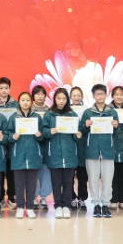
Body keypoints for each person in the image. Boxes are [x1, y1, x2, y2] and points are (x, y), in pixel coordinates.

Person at [81, 84, 121, 218]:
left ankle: (105, 204)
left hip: (107, 149)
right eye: (97, 94)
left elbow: (117, 133)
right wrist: (85, 126)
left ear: (106, 95)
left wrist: (116, 126)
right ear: (93, 96)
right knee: (92, 178)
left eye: (102, 94)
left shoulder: (112, 112)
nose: (100, 96)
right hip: (91, 149)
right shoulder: (87, 112)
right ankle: (96, 204)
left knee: (107, 179)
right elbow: (81, 131)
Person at [42, 89, 82, 219]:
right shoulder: (48, 114)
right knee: (56, 182)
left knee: (68, 182)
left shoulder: (72, 114)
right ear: (54, 99)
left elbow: (78, 133)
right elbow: (43, 132)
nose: (61, 101)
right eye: (59, 98)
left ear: (67, 100)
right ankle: (58, 206)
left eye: (64, 99)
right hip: (54, 154)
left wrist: (78, 135)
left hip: (69, 154)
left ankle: (66, 206)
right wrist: (49, 132)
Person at [6, 92, 44, 219]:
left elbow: (43, 134)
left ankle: (30, 208)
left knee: (32, 185)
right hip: (18, 155)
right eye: (23, 100)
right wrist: (13, 136)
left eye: (28, 100)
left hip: (33, 155)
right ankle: (20, 207)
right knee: (19, 185)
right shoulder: (13, 117)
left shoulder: (37, 117)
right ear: (19, 102)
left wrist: (40, 135)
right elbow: (8, 135)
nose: (25, 102)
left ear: (31, 101)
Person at [0, 78, 18, 210]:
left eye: (6, 88)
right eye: (1, 88)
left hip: (12, 143)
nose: (4, 90)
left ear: (9, 88)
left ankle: (11, 197)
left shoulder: (16, 104)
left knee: (11, 172)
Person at [31, 86, 53, 212]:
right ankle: (33, 196)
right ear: (33, 96)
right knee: (33, 172)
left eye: (42, 94)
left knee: (45, 173)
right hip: (32, 144)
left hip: (47, 145)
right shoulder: (28, 110)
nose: (40, 96)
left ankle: (44, 197)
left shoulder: (50, 111)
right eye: (37, 94)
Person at [70, 87, 90, 211]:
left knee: (83, 176)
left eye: (78, 95)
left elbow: (88, 129)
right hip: (70, 147)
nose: (76, 98)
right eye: (74, 95)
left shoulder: (86, 111)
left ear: (82, 96)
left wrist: (85, 127)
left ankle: (82, 198)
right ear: (70, 97)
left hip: (83, 147)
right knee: (69, 177)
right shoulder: (66, 110)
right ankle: (71, 198)